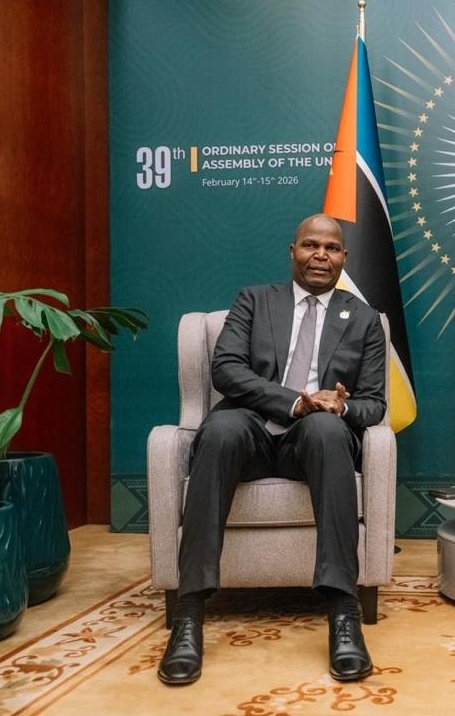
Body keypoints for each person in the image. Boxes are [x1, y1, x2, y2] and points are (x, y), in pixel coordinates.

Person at [158, 213, 387, 685]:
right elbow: (227, 369)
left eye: (331, 248)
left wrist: (340, 407)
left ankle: (343, 612)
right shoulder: (255, 300)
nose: (320, 255)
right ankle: (188, 615)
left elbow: (374, 404)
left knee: (327, 430)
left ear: (344, 257)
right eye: (310, 245)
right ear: (292, 251)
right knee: (219, 430)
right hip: (252, 430)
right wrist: (294, 402)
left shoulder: (364, 319)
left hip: (313, 445)